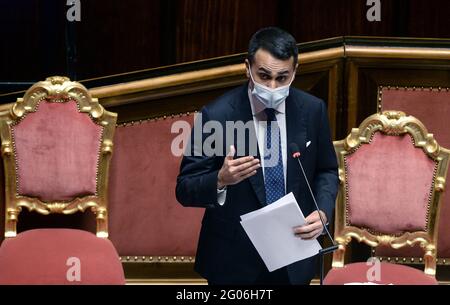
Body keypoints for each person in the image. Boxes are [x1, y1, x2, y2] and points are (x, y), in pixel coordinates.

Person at [176, 27, 338, 285]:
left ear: (295, 72)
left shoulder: (312, 110)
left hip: (293, 256)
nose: (272, 86)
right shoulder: (217, 116)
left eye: (282, 77)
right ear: (247, 67)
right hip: (234, 261)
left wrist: (322, 211)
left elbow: (326, 171)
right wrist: (220, 179)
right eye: (264, 76)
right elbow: (185, 188)